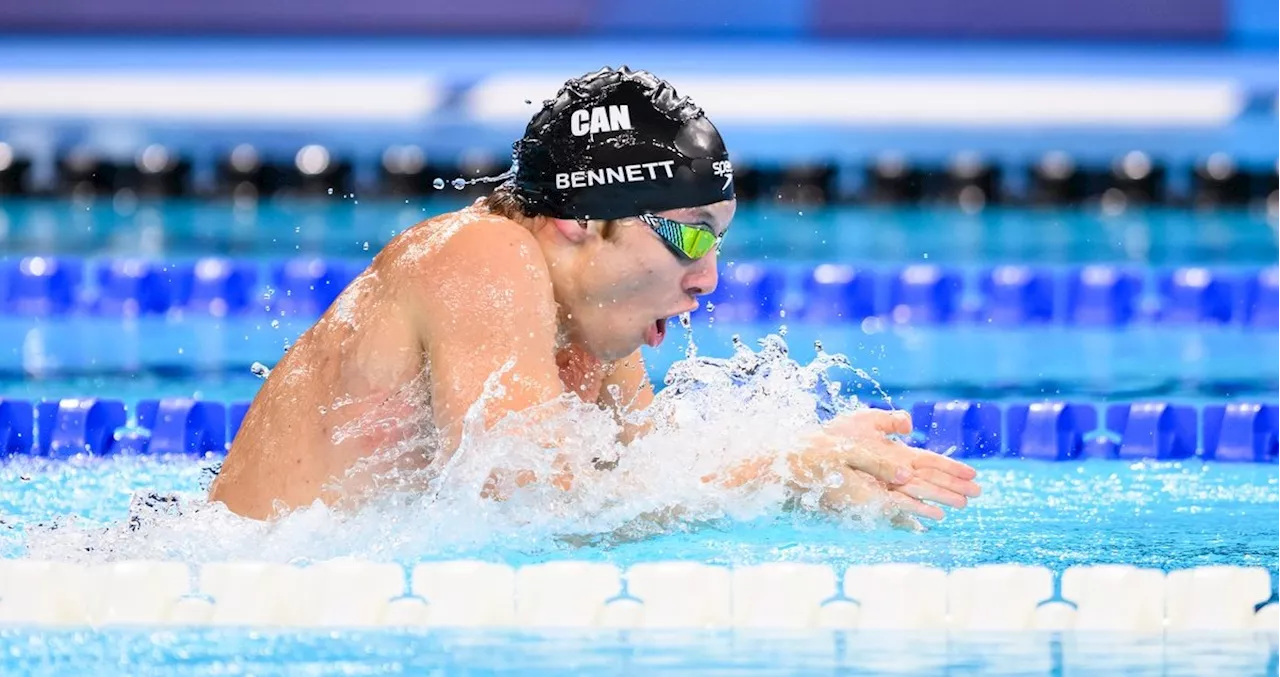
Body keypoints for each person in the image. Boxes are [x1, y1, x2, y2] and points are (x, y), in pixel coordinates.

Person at [208, 66, 981, 524]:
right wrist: (776, 466)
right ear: (581, 221)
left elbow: (646, 497)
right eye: (690, 233)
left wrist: (815, 484)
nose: (708, 277)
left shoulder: (584, 328)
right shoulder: (480, 254)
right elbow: (535, 503)